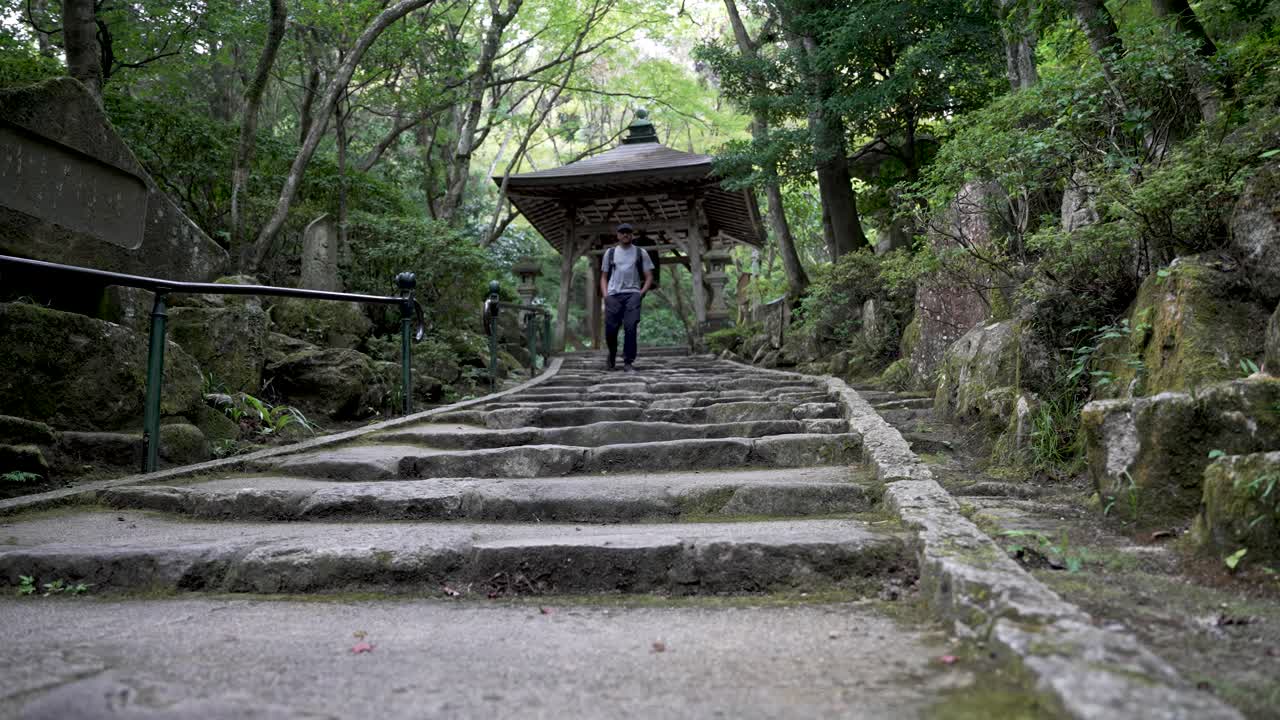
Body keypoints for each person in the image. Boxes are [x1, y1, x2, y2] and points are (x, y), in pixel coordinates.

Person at [599, 223, 654, 372]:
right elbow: (603, 277)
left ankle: (628, 361)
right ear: (617, 235)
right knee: (611, 330)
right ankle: (611, 355)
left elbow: (649, 276)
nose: (625, 235)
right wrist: (606, 296)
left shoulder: (640, 253)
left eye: (628, 232)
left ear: (632, 235)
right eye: (622, 232)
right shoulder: (609, 253)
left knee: (631, 327)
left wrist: (641, 293)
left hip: (633, 294)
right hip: (613, 295)